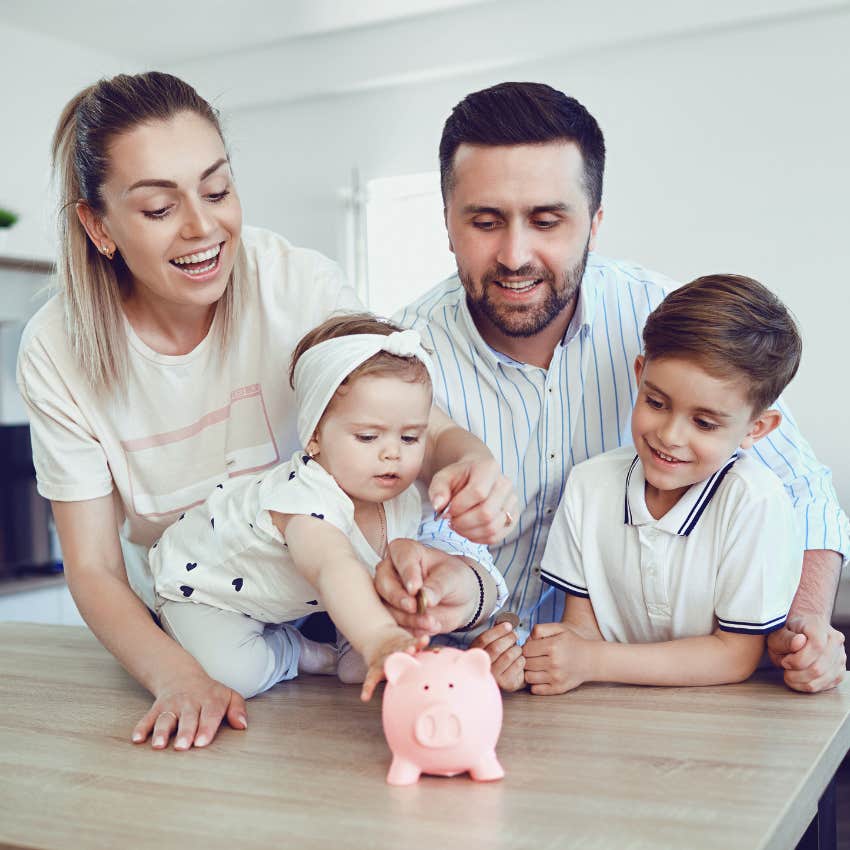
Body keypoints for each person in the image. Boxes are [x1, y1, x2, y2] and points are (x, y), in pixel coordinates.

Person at [16, 72, 514, 751]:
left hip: (327, 591)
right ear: (98, 226)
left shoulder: (296, 284)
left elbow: (407, 416)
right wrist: (178, 678)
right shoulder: (57, 348)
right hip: (202, 608)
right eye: (160, 209)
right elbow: (95, 567)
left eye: (217, 190)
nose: (203, 226)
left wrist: (469, 461)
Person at [376, 81, 848, 693]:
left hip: (638, 684)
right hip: (461, 681)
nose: (516, 255)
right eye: (486, 221)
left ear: (594, 223)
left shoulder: (663, 320)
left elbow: (804, 489)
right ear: (446, 223)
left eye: (547, 221)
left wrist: (808, 621)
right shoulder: (398, 355)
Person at [151, 314, 453, 701]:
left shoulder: (405, 498)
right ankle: (295, 650)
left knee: (364, 656)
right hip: (204, 591)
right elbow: (333, 566)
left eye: (410, 437)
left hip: (286, 597)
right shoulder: (304, 497)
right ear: (313, 437)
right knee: (232, 676)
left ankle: (350, 647)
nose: (392, 453)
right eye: (367, 436)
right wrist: (378, 636)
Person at [525, 275, 803, 693]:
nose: (670, 436)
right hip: (607, 718)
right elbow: (580, 629)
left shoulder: (754, 502)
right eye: (656, 402)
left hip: (723, 724)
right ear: (640, 375)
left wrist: (592, 660)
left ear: (757, 428)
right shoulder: (589, 485)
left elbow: (736, 654)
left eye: (704, 422)